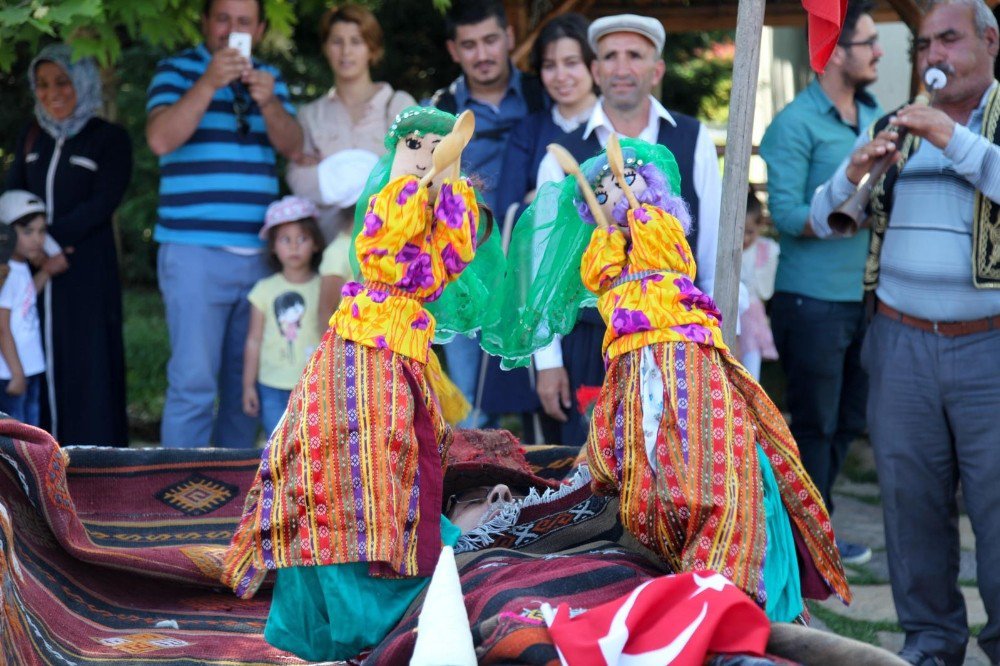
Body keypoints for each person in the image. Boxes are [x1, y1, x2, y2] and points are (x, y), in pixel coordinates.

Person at [489, 137, 851, 622]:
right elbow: (599, 277)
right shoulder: (605, 243)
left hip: (679, 351)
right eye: (603, 191)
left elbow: (670, 253)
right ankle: (666, 559)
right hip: (632, 361)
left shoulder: (658, 224)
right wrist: (610, 237)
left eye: (625, 181)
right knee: (642, 457)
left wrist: (636, 219)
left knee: (702, 452)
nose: (616, 194)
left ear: (650, 185)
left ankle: (721, 578)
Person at [221, 106, 480, 662]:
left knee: (389, 473)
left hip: (401, 357)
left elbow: (456, 256)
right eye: (415, 147)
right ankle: (338, 621)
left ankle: (380, 610)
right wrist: (426, 181)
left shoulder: (439, 209)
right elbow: (388, 249)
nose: (425, 158)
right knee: (340, 474)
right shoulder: (389, 205)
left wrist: (450, 183)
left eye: (436, 148)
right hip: (358, 355)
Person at [811, 1, 1000, 663]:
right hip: (899, 341)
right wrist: (856, 172)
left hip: (990, 345)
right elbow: (820, 215)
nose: (932, 57)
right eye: (924, 45)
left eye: (948, 41)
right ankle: (928, 644)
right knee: (911, 506)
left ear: (989, 42)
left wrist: (954, 140)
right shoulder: (902, 125)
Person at [759, 0, 883, 567]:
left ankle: (815, 528)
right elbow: (784, 214)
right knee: (814, 424)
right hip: (810, 301)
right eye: (868, 42)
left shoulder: (876, 112)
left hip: (866, 299)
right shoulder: (793, 123)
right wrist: (844, 206)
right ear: (835, 52)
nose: (879, 52)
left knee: (849, 423)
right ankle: (809, 543)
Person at [147, 0, 303, 448]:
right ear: (205, 23)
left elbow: (293, 146)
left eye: (243, 21)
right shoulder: (176, 71)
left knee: (244, 388)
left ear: (258, 29)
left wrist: (269, 101)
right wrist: (210, 80)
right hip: (193, 251)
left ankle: (230, 501)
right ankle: (176, 498)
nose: (230, 29)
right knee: (193, 382)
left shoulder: (269, 78)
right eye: (222, 18)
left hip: (258, 257)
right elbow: (160, 138)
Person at [5, 43, 132, 446]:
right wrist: (32, 248)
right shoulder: (31, 137)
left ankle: (93, 466)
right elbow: (10, 200)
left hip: (85, 273)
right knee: (31, 359)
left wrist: (53, 240)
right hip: (32, 276)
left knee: (89, 364)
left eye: (62, 81)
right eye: (42, 84)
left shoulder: (108, 139)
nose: (52, 92)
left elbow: (103, 201)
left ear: (82, 81)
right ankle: (36, 465)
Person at [431, 0, 549, 427]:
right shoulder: (441, 109)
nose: (482, 54)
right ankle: (473, 490)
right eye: (469, 45)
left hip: (533, 266)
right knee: (472, 402)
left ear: (509, 39)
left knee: (546, 391)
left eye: (490, 40)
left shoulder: (543, 95)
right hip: (466, 269)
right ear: (453, 50)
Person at [286, 3, 415, 243]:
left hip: (389, 248)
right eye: (337, 41)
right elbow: (298, 180)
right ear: (325, 47)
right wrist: (375, 169)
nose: (346, 51)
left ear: (372, 48)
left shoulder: (398, 105)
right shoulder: (310, 114)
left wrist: (330, 170)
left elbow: (416, 170)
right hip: (330, 251)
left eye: (356, 41)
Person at [241, 196, 323, 435]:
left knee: (310, 446)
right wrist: (248, 386)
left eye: (303, 238)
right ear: (274, 246)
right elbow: (253, 340)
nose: (294, 246)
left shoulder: (324, 288)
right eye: (286, 240)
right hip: (271, 386)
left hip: (313, 386)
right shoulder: (263, 290)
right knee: (276, 446)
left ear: (316, 244)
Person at [0, 191, 50, 426]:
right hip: (12, 373)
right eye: (27, 231)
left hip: (30, 368)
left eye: (42, 231)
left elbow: (25, 300)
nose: (37, 239)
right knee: (17, 445)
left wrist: (47, 271)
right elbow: (2, 326)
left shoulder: (21, 268)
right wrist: (17, 373)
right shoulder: (6, 272)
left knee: (32, 439)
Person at [738, 190, 779, 380]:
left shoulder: (766, 249)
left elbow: (765, 290)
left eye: (750, 232)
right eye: (741, 232)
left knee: (752, 373)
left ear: (761, 225)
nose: (745, 239)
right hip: (731, 313)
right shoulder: (726, 247)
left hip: (752, 318)